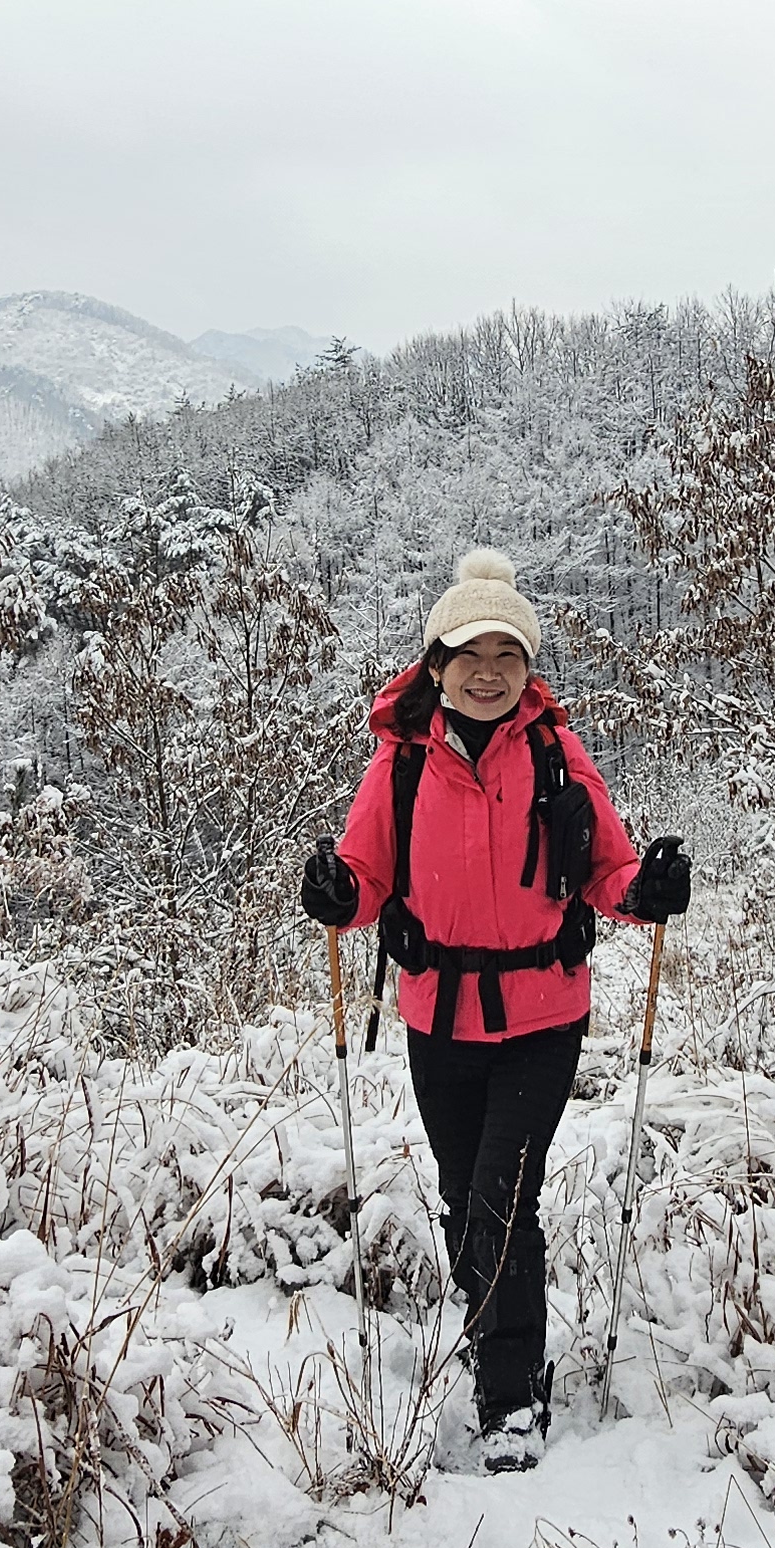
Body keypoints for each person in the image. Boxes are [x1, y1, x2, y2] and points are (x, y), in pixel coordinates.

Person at [304, 547, 690, 1473]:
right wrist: (337, 894)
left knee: (500, 1199)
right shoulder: (402, 765)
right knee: (462, 1198)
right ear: (436, 666)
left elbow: (607, 869)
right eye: (470, 655)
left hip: (542, 1017)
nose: (489, 673)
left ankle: (512, 1398)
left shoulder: (555, 755)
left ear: (528, 667)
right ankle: (493, 1341)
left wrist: (647, 891)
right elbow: (366, 874)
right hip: (439, 1019)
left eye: (507, 655)